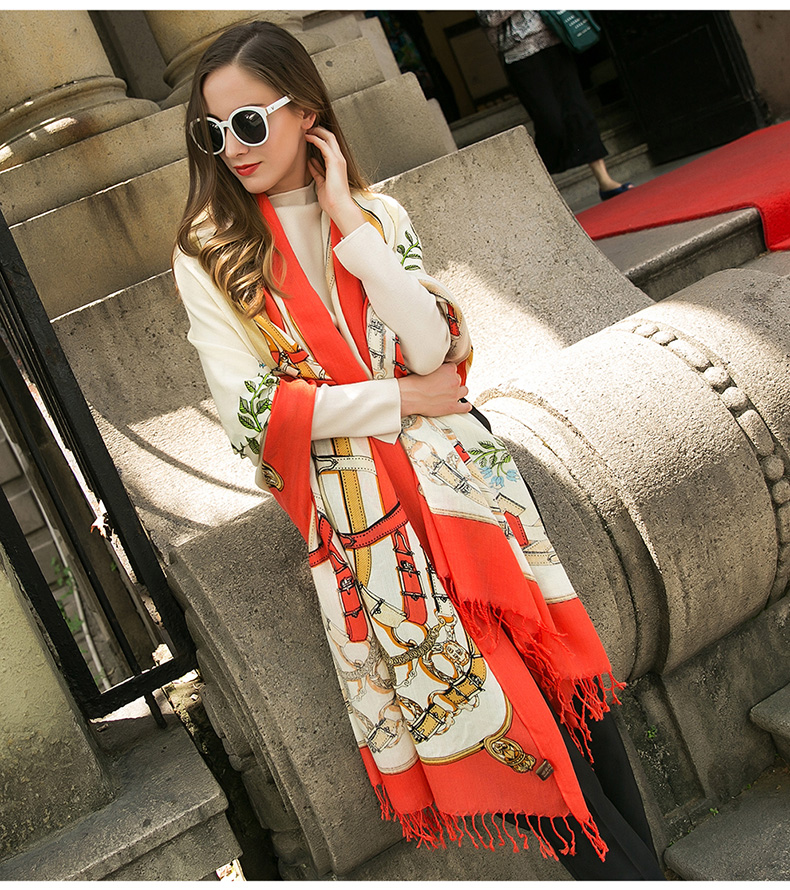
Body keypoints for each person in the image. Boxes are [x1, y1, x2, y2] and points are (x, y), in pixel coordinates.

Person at [172, 20, 663, 880]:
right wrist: (402, 398)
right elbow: (254, 413)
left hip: (470, 499)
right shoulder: (211, 258)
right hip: (375, 540)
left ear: (306, 112)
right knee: (511, 730)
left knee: (577, 709)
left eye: (248, 122)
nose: (233, 148)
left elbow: (434, 344)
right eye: (214, 133)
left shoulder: (377, 218)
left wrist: (348, 225)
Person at [477, 11, 634, 201]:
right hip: (519, 55)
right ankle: (538, 183)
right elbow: (488, 17)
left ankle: (604, 180)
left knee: (578, 110)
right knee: (550, 121)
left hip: (555, 39)